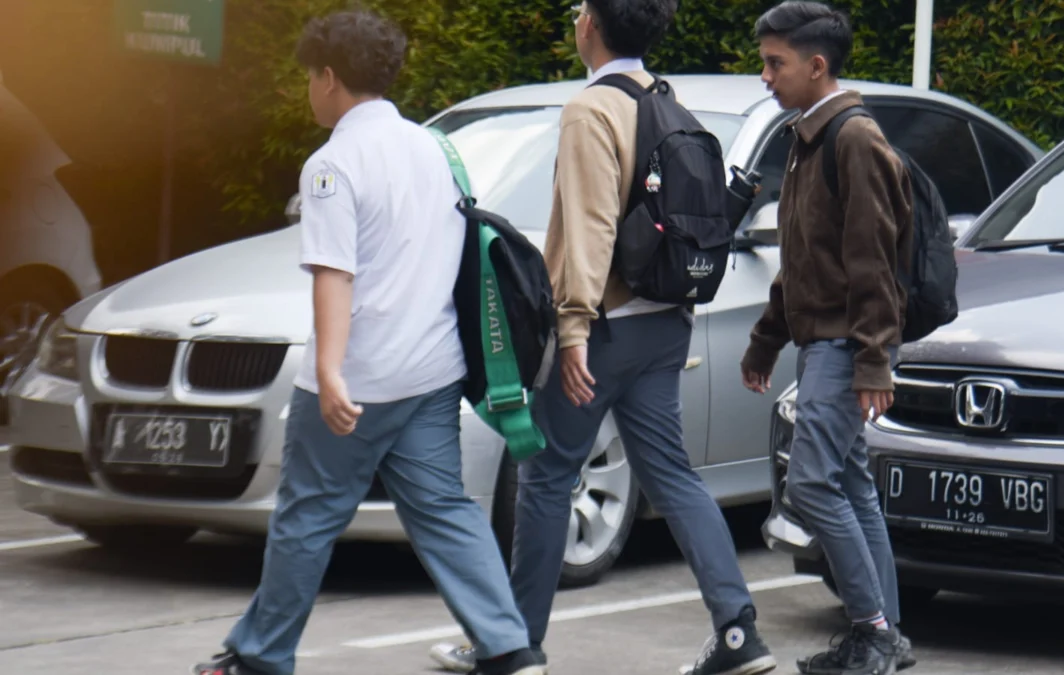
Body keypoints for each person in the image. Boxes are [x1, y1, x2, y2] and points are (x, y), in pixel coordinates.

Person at [190, 10, 545, 675]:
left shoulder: (332, 165)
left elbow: (335, 275)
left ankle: (263, 655)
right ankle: (510, 647)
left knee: (307, 516)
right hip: (433, 369)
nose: (307, 90)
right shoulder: (435, 149)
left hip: (361, 377)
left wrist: (328, 373)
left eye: (307, 77)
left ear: (328, 77)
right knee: (443, 508)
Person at [430, 2, 776, 675]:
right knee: (673, 475)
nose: (576, 15)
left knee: (547, 475)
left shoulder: (593, 110)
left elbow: (589, 226)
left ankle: (513, 643)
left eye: (582, 6)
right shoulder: (669, 101)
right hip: (666, 322)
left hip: (606, 327)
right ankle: (738, 631)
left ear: (592, 26)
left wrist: (574, 327)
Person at [739, 2, 917, 674]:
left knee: (811, 486)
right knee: (847, 483)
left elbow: (874, 259)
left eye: (775, 63)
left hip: (848, 343)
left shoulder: (853, 139)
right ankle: (884, 633)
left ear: (817, 66)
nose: (765, 75)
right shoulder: (809, 138)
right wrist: (766, 339)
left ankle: (874, 629)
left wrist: (874, 359)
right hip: (828, 342)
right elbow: (802, 254)